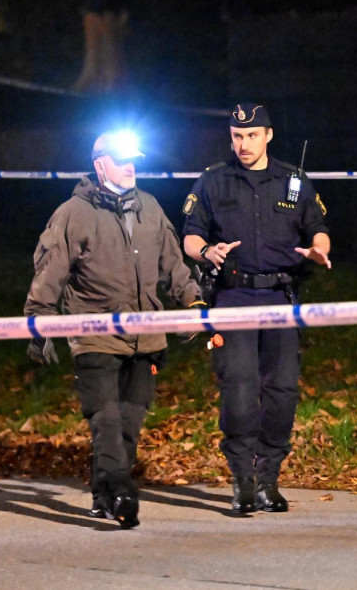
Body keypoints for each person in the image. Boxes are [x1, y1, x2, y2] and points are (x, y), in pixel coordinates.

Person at [24, 129, 201, 529]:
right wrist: (40, 321)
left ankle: (103, 494)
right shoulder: (73, 213)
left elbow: (174, 264)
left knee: (130, 420)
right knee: (105, 416)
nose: (131, 166)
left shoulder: (151, 208)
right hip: (94, 334)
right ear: (100, 164)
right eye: (121, 160)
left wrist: (193, 304)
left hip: (146, 337)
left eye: (134, 159)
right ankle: (121, 489)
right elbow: (49, 271)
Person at [182, 102, 331, 514]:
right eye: (237, 136)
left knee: (282, 391)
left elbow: (319, 231)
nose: (244, 144)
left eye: (251, 136)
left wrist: (319, 252)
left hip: (280, 298)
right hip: (233, 297)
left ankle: (268, 479)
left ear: (268, 135)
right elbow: (190, 237)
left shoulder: (294, 181)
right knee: (240, 388)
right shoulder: (213, 181)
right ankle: (242, 481)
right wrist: (208, 251)